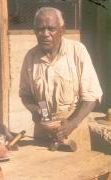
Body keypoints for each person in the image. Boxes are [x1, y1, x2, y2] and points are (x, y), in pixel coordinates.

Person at [19, 7, 103, 144]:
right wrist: (36, 110)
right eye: (40, 29)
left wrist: (71, 124)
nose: (45, 34)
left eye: (51, 29)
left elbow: (92, 97)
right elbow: (25, 93)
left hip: (74, 131)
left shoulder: (77, 51)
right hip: (43, 132)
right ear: (35, 31)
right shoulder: (30, 57)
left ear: (62, 30)